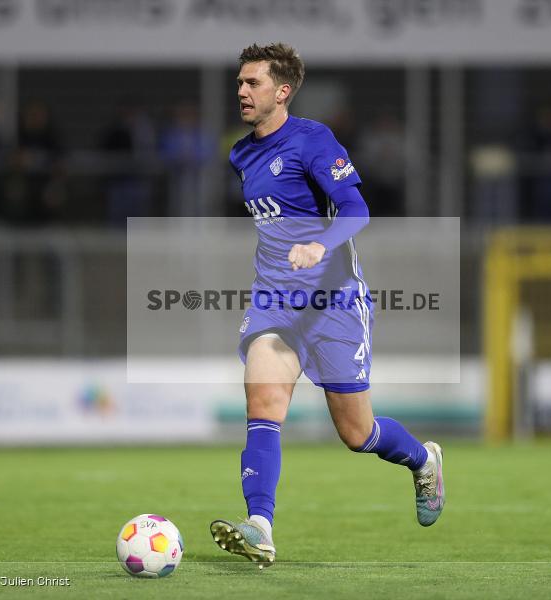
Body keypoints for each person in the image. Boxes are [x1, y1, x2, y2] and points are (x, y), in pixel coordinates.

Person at [209, 43, 445, 568]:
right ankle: (260, 525)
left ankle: (423, 460)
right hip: (275, 301)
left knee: (356, 433)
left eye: (253, 83)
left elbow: (358, 208)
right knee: (264, 404)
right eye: (240, 82)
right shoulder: (241, 152)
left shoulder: (314, 140)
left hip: (334, 303)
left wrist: (321, 243)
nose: (242, 91)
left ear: (283, 91)